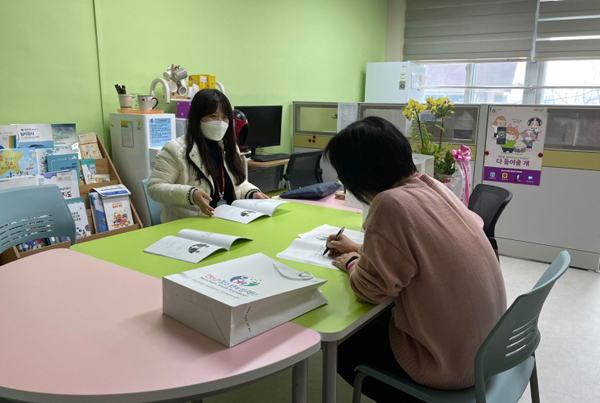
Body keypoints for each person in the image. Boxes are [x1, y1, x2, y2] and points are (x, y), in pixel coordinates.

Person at [323, 116, 506, 403]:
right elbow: (419, 250)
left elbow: (371, 290)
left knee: (341, 345)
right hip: (488, 352)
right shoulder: (431, 185)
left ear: (356, 175)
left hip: (448, 367)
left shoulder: (389, 204)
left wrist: (349, 262)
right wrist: (360, 248)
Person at [148, 89, 268, 223]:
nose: (220, 122)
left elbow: (238, 183)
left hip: (230, 220)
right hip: (191, 225)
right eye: (212, 115)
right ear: (197, 117)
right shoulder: (175, 149)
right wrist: (190, 194)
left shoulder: (230, 147)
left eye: (224, 117)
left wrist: (252, 192)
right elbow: (155, 188)